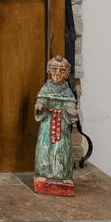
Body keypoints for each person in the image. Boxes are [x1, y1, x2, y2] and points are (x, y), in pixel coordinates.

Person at [33, 54, 81, 196]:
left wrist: (70, 110)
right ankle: (43, 173)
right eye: (54, 69)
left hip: (62, 126)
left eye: (61, 70)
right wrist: (40, 106)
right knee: (45, 149)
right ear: (49, 70)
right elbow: (41, 100)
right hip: (48, 124)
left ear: (67, 73)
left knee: (62, 150)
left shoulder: (66, 90)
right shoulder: (46, 87)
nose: (57, 74)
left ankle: (63, 176)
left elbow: (70, 102)